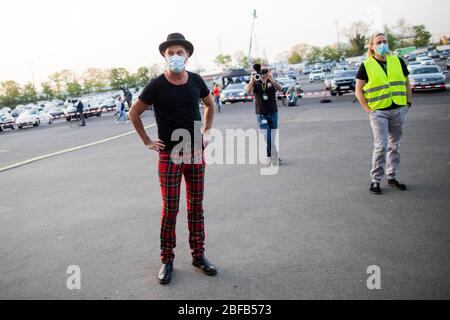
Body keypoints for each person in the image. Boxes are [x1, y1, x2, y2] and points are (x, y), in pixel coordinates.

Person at [129, 33, 216, 285]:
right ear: (164, 57)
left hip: (195, 152)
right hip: (169, 156)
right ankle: (167, 259)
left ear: (187, 55)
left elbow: (210, 104)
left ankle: (198, 255)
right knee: (170, 209)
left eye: (180, 52)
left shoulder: (196, 81)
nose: (176, 56)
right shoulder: (156, 85)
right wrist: (146, 140)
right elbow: (134, 113)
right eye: (171, 53)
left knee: (195, 207)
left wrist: (207, 131)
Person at [355, 32, 412, 195]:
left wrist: (408, 102)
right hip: (378, 112)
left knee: (395, 145)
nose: (382, 44)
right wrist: (368, 110)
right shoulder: (366, 65)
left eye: (384, 41)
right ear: (372, 46)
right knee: (381, 146)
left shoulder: (398, 61)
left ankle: (392, 176)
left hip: (398, 109)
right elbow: (358, 91)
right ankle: (376, 180)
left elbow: (407, 83)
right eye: (378, 42)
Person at [245, 66, 283, 165]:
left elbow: (281, 89)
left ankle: (269, 155)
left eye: (265, 74)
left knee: (272, 135)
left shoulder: (271, 82)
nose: (263, 76)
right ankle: (275, 156)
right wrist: (251, 81)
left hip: (273, 112)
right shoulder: (256, 82)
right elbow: (247, 91)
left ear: (268, 73)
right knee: (267, 135)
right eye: (261, 74)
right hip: (261, 114)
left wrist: (272, 80)